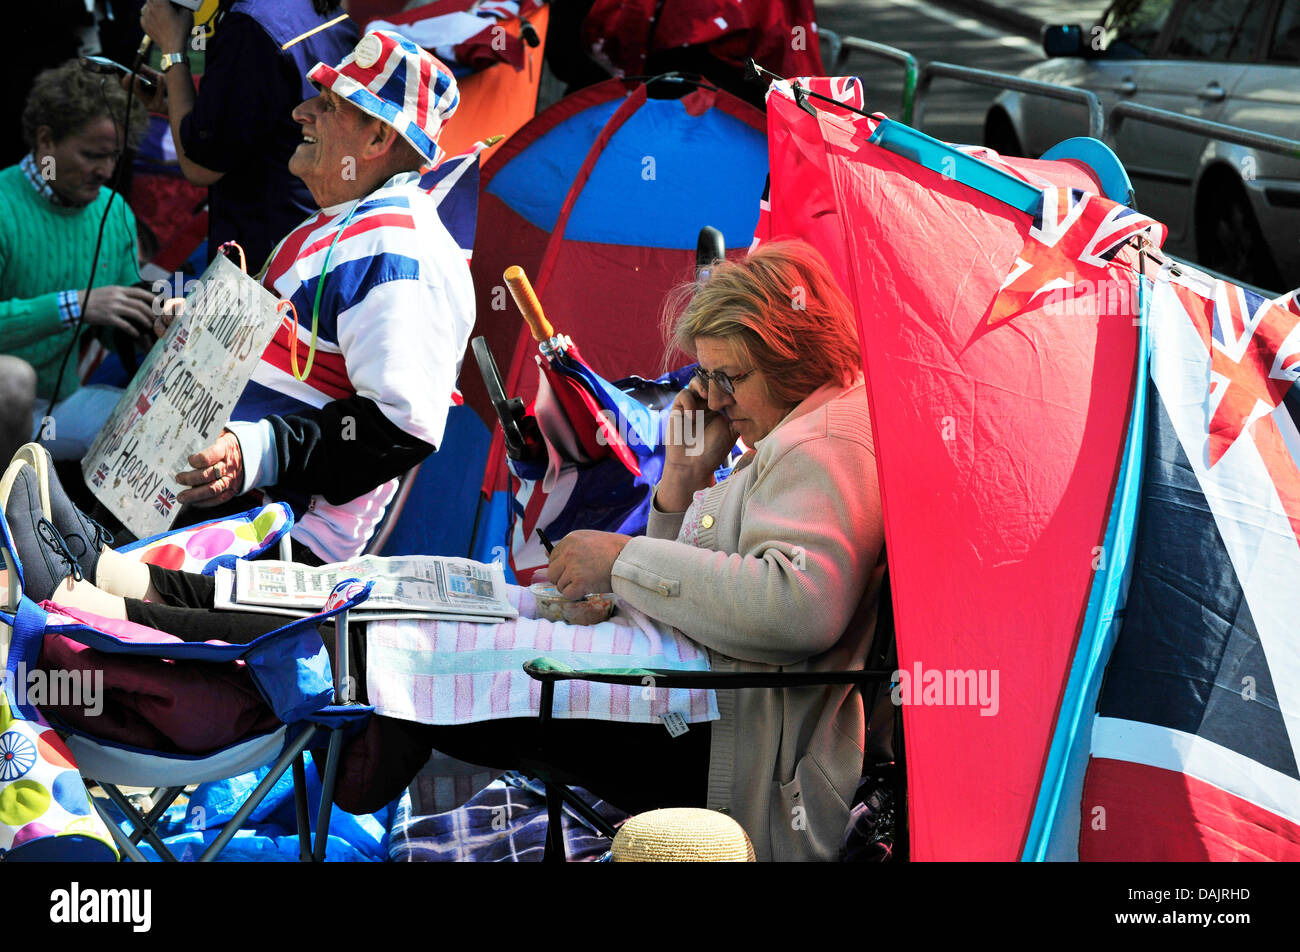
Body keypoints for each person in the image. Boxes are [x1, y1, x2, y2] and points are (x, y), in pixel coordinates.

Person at [4, 240, 885, 861]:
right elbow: (705, 592)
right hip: (682, 698)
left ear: (793, 355)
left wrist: (621, 563)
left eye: (730, 378)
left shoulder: (826, 443)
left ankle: (131, 636)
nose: (719, 400)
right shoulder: (800, 432)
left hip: (715, 739)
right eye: (712, 380)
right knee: (389, 589)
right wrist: (678, 488)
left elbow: (799, 607)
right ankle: (117, 584)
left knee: (396, 635)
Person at [154, 31, 475, 564]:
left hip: (274, 536)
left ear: (377, 140)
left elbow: (399, 427)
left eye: (329, 104)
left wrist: (251, 453)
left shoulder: (399, 248)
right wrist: (209, 332)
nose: (302, 112)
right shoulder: (351, 223)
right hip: (227, 509)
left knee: (81, 581)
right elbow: (302, 353)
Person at [0, 60, 154, 466]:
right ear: (46, 140)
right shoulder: (4, 204)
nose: (105, 171)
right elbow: (86, 304)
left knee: (158, 425)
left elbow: (111, 324)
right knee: (13, 382)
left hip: (57, 405)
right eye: (92, 155)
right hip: (7, 397)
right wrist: (73, 305)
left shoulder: (113, 210)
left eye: (114, 157)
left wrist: (152, 321)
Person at [135, 0, 358, 269]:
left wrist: (172, 49)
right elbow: (260, 113)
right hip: (313, 230)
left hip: (265, 252)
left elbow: (201, 165)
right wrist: (182, 100)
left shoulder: (250, 25)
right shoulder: (303, 8)